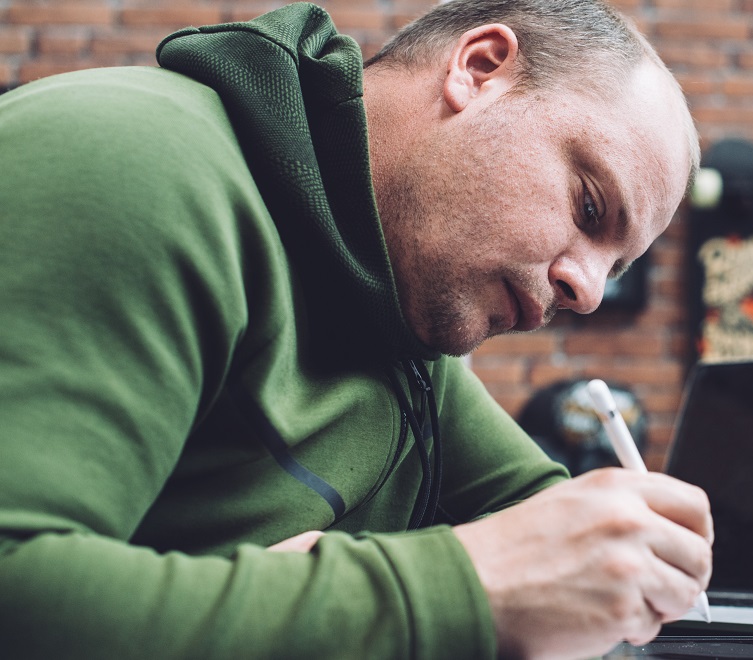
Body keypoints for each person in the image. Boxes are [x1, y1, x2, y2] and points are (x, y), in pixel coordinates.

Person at [0, 0, 711, 658]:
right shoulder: (131, 164)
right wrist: (466, 586)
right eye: (589, 207)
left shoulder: (401, 325)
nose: (585, 292)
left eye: (614, 269)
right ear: (480, 68)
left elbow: (570, 557)